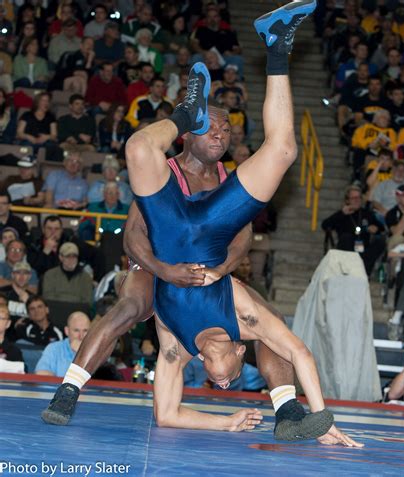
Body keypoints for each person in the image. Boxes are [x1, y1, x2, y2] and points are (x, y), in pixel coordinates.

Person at [42, 0, 361, 448]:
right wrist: (161, 270)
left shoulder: (228, 179)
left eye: (228, 131)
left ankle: (275, 45)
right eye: (211, 128)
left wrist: (224, 268)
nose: (222, 135)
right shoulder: (169, 170)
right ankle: (69, 388)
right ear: (188, 134)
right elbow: (133, 237)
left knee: (284, 152)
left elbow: (245, 233)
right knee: (132, 304)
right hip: (157, 258)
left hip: (208, 255)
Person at [322, 185, 385, 274]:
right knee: (346, 237)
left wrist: (376, 228)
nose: (357, 200)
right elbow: (325, 225)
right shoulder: (342, 214)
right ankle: (350, 269)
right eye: (353, 198)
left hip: (363, 249)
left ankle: (363, 271)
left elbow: (381, 228)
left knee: (380, 242)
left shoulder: (366, 213)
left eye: (359, 197)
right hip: (346, 249)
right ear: (347, 200)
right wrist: (342, 213)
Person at [35, 312, 90, 376]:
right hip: (59, 386)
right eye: (76, 330)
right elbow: (41, 373)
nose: (81, 336)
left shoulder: (96, 351)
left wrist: (82, 354)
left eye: (85, 331)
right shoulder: (54, 349)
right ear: (67, 331)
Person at [41, 242, 93, 307]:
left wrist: (60, 297)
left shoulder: (86, 277)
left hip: (78, 313)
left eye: (74, 256)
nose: (71, 260)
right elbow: (47, 299)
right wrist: (75, 299)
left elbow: (87, 303)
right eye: (68, 256)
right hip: (55, 311)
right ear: (60, 257)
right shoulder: (50, 275)